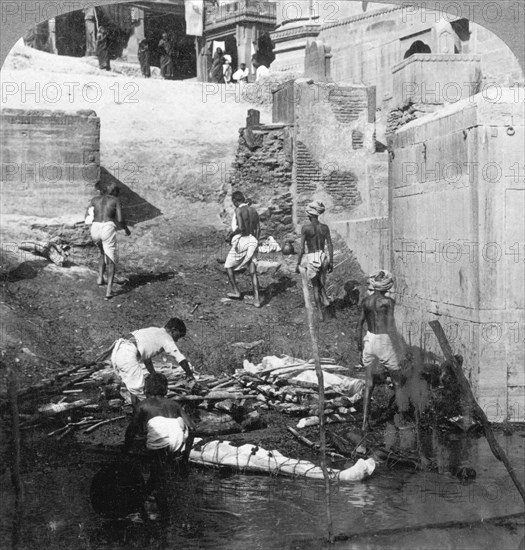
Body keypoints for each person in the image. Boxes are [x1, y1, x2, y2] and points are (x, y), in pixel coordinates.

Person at [124, 372, 195, 514]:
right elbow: (192, 428)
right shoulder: (174, 404)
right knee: (159, 474)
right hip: (177, 439)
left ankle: (148, 510)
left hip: (159, 442)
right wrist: (185, 456)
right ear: (166, 389)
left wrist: (125, 450)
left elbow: (132, 430)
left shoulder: (143, 406)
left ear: (145, 389)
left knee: (157, 476)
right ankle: (156, 508)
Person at [356, 269, 403, 432]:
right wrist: (398, 347)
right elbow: (391, 327)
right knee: (397, 382)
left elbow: (359, 325)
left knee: (369, 384)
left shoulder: (366, 301)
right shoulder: (388, 302)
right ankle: (401, 421)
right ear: (386, 285)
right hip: (384, 340)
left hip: (369, 339)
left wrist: (359, 347)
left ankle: (364, 423)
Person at [111, 318, 195, 407]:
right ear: (173, 330)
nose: (177, 340)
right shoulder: (166, 338)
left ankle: (137, 413)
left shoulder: (153, 331)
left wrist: (153, 374)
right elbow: (180, 358)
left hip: (119, 351)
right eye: (178, 336)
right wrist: (189, 374)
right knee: (141, 390)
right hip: (128, 354)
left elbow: (147, 359)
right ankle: (148, 415)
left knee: (134, 388)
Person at [87, 182, 130, 300]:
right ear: (115, 192)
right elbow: (120, 219)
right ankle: (109, 290)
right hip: (107, 227)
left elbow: (87, 216)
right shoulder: (115, 200)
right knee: (111, 259)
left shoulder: (94, 199)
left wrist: (95, 225)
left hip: (95, 228)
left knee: (102, 252)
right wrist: (126, 229)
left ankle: (100, 278)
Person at [295, 200, 333, 320]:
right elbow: (330, 245)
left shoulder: (306, 228)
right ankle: (325, 299)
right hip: (323, 256)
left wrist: (298, 263)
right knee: (322, 281)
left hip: (312, 257)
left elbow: (301, 248)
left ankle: (321, 314)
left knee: (315, 287)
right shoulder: (325, 227)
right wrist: (331, 261)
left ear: (309, 214)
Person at [224, 191, 261, 307]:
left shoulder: (239, 210)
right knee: (253, 271)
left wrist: (230, 236)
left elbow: (241, 227)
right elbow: (259, 229)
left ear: (235, 200)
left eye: (233, 202)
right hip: (252, 239)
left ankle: (236, 291)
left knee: (228, 266)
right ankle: (257, 300)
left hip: (242, 240)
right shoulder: (253, 210)